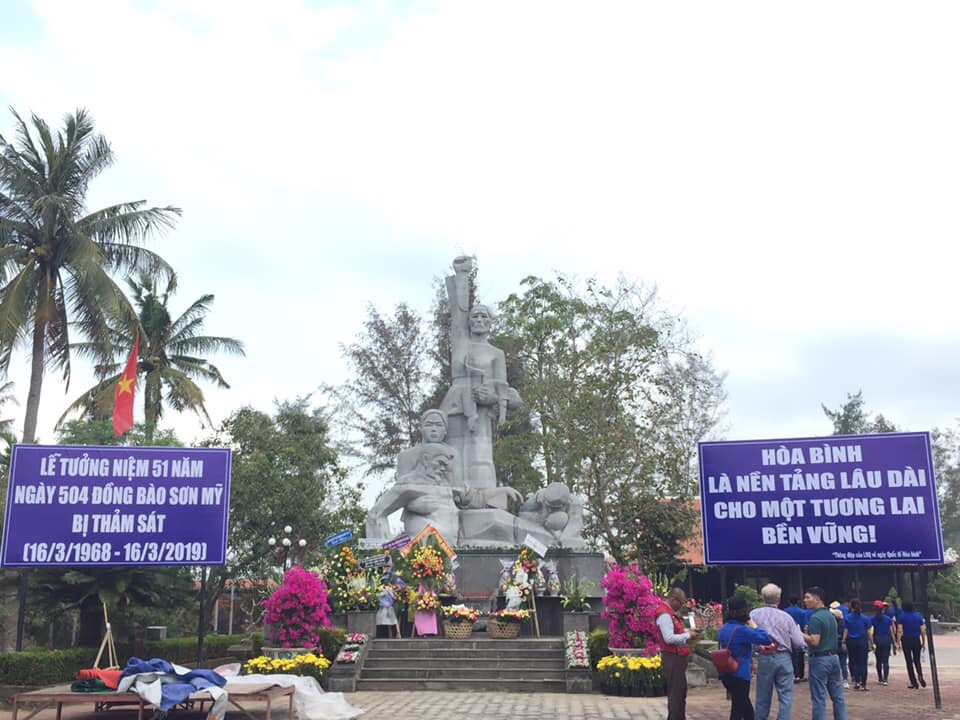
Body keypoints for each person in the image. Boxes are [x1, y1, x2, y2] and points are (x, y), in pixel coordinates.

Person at [750, 584, 806, 720]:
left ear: (763, 597)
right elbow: (799, 642)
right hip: (784, 657)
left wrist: (751, 657)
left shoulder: (754, 615)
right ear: (779, 599)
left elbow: (750, 636)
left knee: (762, 696)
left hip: (764, 657)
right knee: (786, 697)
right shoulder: (786, 617)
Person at [718, 595, 773, 720]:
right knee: (737, 711)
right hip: (740, 673)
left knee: (746, 709)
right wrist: (753, 625)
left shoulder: (723, 628)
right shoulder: (742, 630)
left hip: (726, 673)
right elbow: (766, 639)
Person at [654, 587, 700, 720]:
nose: (681, 606)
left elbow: (675, 632)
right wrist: (688, 635)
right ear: (673, 599)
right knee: (676, 695)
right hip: (672, 657)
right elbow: (669, 638)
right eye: (681, 603)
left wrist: (688, 632)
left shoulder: (670, 613)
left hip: (677, 657)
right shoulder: (665, 615)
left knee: (680, 692)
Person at [802, 586, 847, 720]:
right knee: (837, 695)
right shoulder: (830, 616)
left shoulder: (815, 618)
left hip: (819, 659)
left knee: (819, 696)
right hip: (833, 657)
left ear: (817, 599)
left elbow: (815, 641)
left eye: (808, 597)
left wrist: (800, 634)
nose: (805, 600)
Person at [842, 599, 870, 690]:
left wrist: (843, 641)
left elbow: (846, 631)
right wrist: (872, 642)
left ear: (851, 607)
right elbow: (868, 632)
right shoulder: (865, 618)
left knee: (855, 662)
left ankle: (857, 681)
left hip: (851, 642)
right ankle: (864, 683)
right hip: (863, 641)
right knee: (863, 663)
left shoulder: (847, 618)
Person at [898, 601, 926, 689]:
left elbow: (900, 630)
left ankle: (913, 682)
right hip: (916, 639)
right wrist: (923, 641)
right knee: (917, 660)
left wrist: (898, 642)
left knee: (909, 661)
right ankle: (920, 674)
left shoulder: (902, 616)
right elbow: (923, 629)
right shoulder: (918, 615)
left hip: (906, 639)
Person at [783, 596, 810, 682]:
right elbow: (805, 626)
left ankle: (794, 674)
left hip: (788, 635)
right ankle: (801, 675)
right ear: (798, 602)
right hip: (800, 634)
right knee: (801, 655)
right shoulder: (802, 612)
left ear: (789, 602)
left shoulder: (785, 611)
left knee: (792, 655)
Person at [869, 600, 894, 685]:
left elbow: (870, 632)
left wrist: (871, 643)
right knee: (885, 661)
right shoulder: (888, 619)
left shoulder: (871, 619)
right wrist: (894, 642)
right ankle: (885, 679)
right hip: (886, 639)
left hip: (877, 639)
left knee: (878, 660)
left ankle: (880, 677)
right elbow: (891, 631)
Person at [828, 601, 850, 688]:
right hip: (842, 645)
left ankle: (835, 679)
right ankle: (845, 679)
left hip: (835, 645)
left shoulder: (832, 624)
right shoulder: (844, 623)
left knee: (834, 663)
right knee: (843, 663)